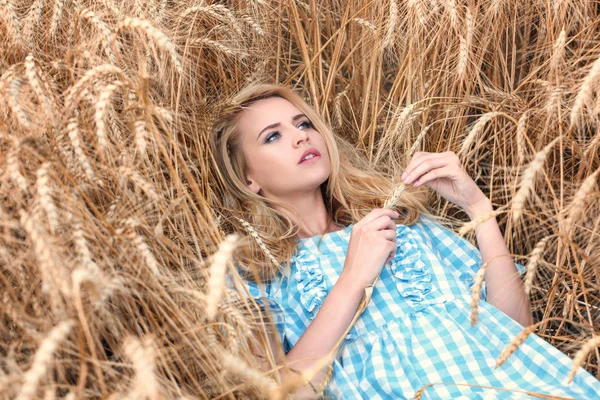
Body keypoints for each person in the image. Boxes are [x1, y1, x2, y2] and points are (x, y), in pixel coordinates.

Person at [210, 83, 600, 399]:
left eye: (303, 124)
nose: (299, 138)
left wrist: (477, 207)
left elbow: (515, 332)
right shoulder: (252, 273)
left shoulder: (404, 226)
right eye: (273, 136)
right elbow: (289, 393)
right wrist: (353, 278)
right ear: (248, 179)